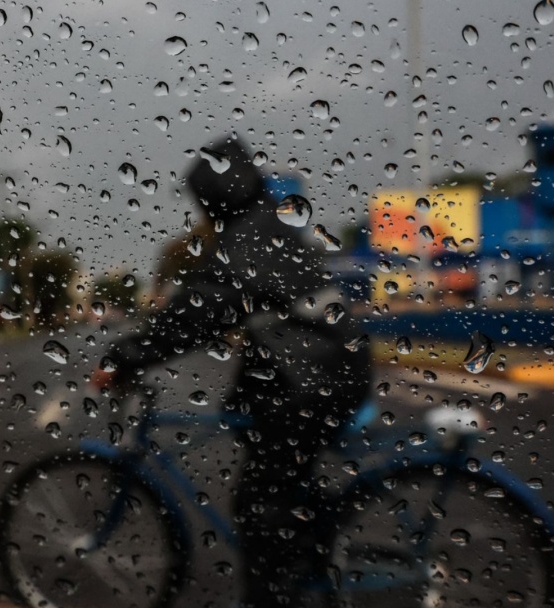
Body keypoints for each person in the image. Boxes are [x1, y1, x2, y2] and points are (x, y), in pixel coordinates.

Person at [95, 135, 371, 607]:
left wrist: (121, 359)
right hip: (330, 370)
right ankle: (308, 544)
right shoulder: (271, 226)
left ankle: (274, 595)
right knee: (267, 452)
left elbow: (191, 318)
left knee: (257, 504)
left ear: (212, 198)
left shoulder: (242, 244)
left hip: (314, 383)